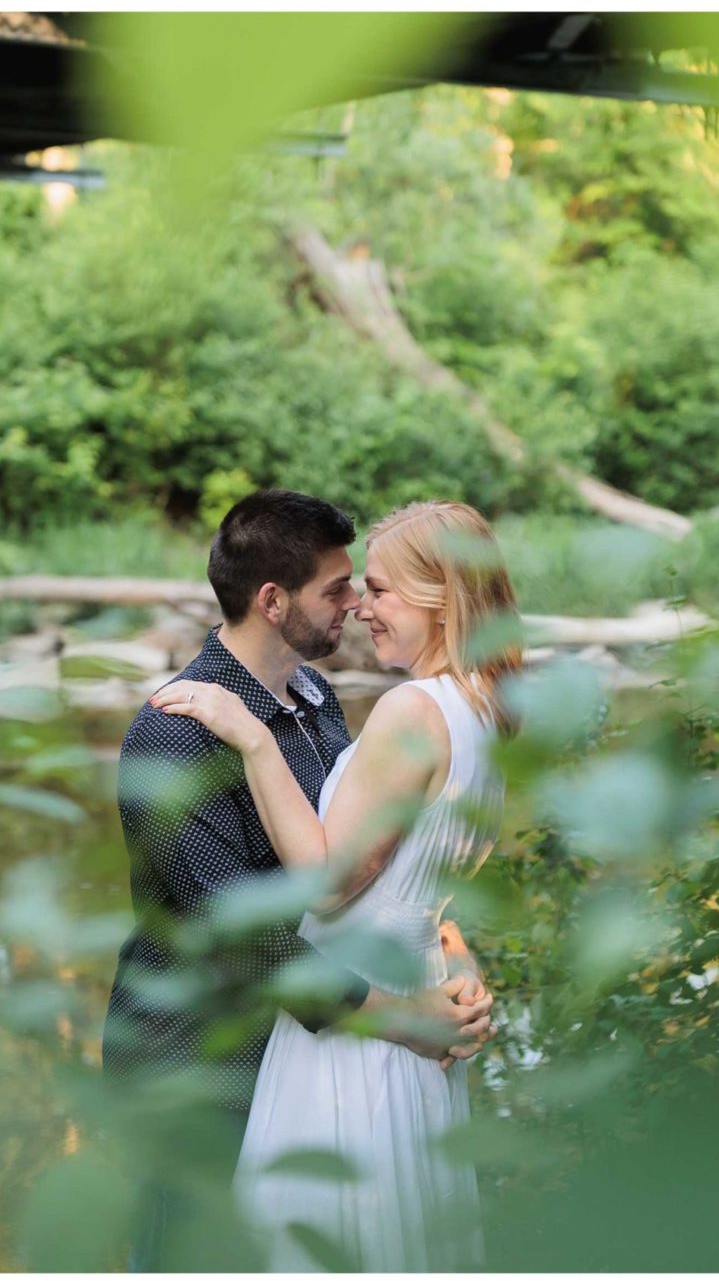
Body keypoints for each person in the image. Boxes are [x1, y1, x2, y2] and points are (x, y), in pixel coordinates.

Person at [102, 490, 496, 1272]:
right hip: (203, 1060)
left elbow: (372, 863)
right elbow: (245, 943)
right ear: (273, 601)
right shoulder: (175, 735)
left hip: (312, 1051)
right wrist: (399, 1017)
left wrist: (447, 944)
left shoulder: (318, 702)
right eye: (337, 588)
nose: (355, 603)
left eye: (362, 585)